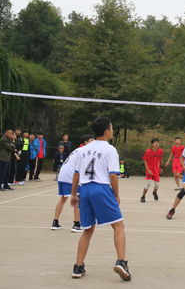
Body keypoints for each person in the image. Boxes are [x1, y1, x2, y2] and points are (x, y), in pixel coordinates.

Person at [70, 117, 130, 281]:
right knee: (118, 225)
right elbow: (113, 175)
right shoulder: (110, 149)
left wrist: (74, 194)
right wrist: (116, 194)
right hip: (101, 187)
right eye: (111, 128)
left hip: (85, 189)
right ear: (106, 131)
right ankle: (122, 262)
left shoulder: (83, 149)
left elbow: (76, 173)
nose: (112, 130)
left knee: (87, 229)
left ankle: (78, 266)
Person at [51, 134, 94, 232]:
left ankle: (55, 222)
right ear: (86, 142)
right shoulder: (85, 151)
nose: (94, 142)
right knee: (78, 198)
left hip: (63, 173)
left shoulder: (78, 150)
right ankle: (77, 224)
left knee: (63, 198)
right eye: (92, 140)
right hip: (70, 174)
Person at [140, 138, 163, 203]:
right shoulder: (148, 152)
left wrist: (161, 167)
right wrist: (148, 170)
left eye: (158, 142)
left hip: (156, 170)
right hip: (149, 170)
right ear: (152, 144)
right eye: (155, 142)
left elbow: (161, 159)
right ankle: (143, 196)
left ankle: (154, 192)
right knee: (149, 183)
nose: (157, 144)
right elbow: (145, 161)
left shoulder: (160, 151)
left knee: (157, 185)